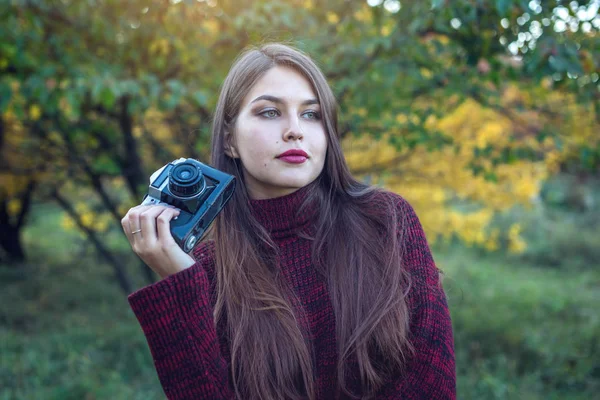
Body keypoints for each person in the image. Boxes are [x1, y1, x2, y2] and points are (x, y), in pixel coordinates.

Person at [121, 43, 455, 400]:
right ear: (230, 140)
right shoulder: (207, 269)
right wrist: (179, 282)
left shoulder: (386, 220)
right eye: (269, 112)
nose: (295, 130)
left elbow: (431, 383)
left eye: (311, 115)